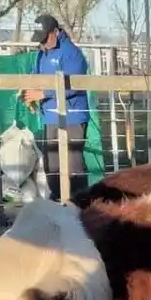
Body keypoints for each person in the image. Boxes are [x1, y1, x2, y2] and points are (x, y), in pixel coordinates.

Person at [18, 13, 90, 201]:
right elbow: (36, 75)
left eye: (44, 39)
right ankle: (58, 202)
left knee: (73, 164)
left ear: (55, 32)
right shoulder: (41, 54)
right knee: (52, 164)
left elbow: (74, 84)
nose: (41, 44)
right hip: (50, 117)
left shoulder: (72, 54)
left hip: (72, 117)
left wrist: (43, 94)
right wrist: (28, 92)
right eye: (39, 40)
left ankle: (80, 204)